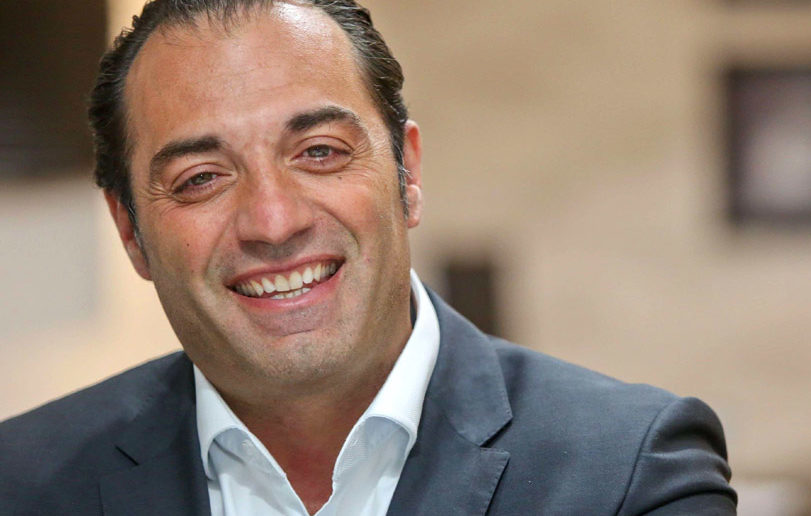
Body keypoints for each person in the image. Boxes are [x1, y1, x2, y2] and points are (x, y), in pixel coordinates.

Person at [0, 1, 736, 514]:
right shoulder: (20, 482)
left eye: (320, 152)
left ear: (406, 175)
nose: (273, 221)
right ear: (131, 231)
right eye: (201, 179)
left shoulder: (629, 472)